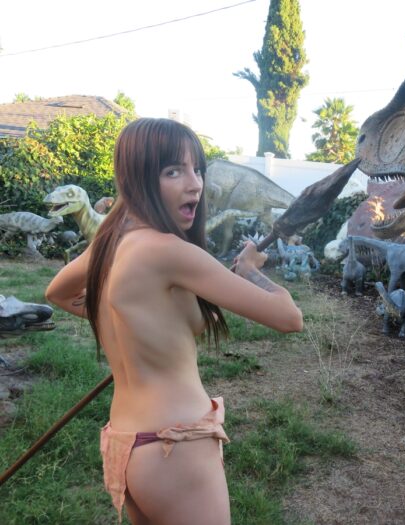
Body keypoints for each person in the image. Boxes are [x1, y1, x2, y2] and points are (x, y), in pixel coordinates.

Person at [45, 118, 303, 524]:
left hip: (125, 443)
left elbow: (56, 293)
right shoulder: (171, 252)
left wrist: (131, 325)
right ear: (138, 179)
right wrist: (251, 270)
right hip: (176, 449)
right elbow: (289, 318)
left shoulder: (112, 242)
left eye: (196, 169)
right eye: (173, 171)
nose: (194, 184)